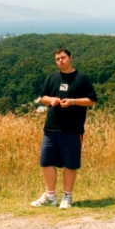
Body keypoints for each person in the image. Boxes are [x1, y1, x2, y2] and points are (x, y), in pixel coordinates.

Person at [31, 47, 98, 209]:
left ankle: (67, 197)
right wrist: (51, 100)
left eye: (63, 57)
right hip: (51, 127)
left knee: (70, 163)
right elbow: (44, 97)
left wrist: (73, 101)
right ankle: (50, 195)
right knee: (46, 161)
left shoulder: (82, 78)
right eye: (57, 59)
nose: (60, 61)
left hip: (72, 129)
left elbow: (92, 100)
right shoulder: (52, 77)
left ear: (70, 58)